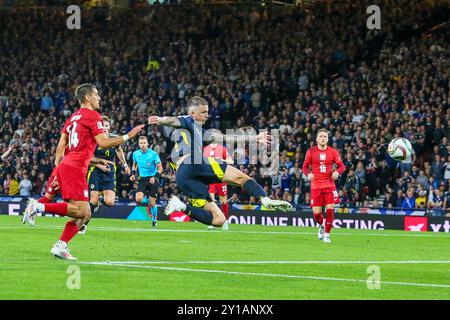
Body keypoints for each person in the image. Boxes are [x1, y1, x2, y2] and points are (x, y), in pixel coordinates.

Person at [21, 83, 144, 260]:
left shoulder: (72, 118)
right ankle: (38, 206)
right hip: (76, 167)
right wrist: (128, 136)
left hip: (67, 165)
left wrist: (58, 170)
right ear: (88, 97)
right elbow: (103, 142)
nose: (99, 98)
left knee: (85, 212)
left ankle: (60, 245)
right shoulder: (93, 116)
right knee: (81, 211)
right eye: (97, 94)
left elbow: (61, 146)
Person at [147, 96, 292, 228]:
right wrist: (160, 119)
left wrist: (254, 138)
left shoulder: (201, 133)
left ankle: (181, 206)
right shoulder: (188, 120)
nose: (207, 115)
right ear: (193, 113)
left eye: (207, 111)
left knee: (219, 220)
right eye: (203, 112)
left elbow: (227, 138)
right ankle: (265, 199)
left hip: (183, 177)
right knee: (243, 178)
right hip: (193, 163)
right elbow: (173, 120)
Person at [79, 116, 131, 234]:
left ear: (109, 127)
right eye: (103, 126)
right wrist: (99, 165)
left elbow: (119, 150)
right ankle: (83, 225)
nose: (105, 128)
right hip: (95, 170)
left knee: (110, 202)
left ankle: (99, 201)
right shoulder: (94, 139)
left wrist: (125, 164)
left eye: (107, 126)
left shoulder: (114, 139)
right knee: (93, 199)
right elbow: (88, 157)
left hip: (109, 172)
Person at [302, 129, 345, 243]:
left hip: (329, 185)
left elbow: (342, 167)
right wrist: (308, 174)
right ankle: (322, 225)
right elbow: (304, 167)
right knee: (317, 215)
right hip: (316, 186)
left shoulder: (333, 152)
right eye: (320, 136)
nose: (323, 138)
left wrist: (337, 172)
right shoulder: (311, 152)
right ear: (317, 139)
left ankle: (327, 234)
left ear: (328, 139)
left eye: (325, 136)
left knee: (330, 210)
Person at [130, 136, 163, 227]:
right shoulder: (135, 154)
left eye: (144, 143)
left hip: (153, 179)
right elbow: (134, 164)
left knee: (152, 204)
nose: (143, 145)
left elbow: (160, 168)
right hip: (142, 179)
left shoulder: (153, 154)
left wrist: (155, 177)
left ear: (147, 143)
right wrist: (133, 174)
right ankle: (148, 199)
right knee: (138, 199)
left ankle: (154, 219)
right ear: (138, 144)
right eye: (141, 143)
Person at [203, 140, 234, 231]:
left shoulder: (222, 149)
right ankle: (214, 221)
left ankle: (225, 221)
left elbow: (230, 161)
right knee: (211, 200)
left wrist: (222, 160)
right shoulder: (205, 149)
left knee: (223, 201)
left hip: (221, 177)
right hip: (211, 177)